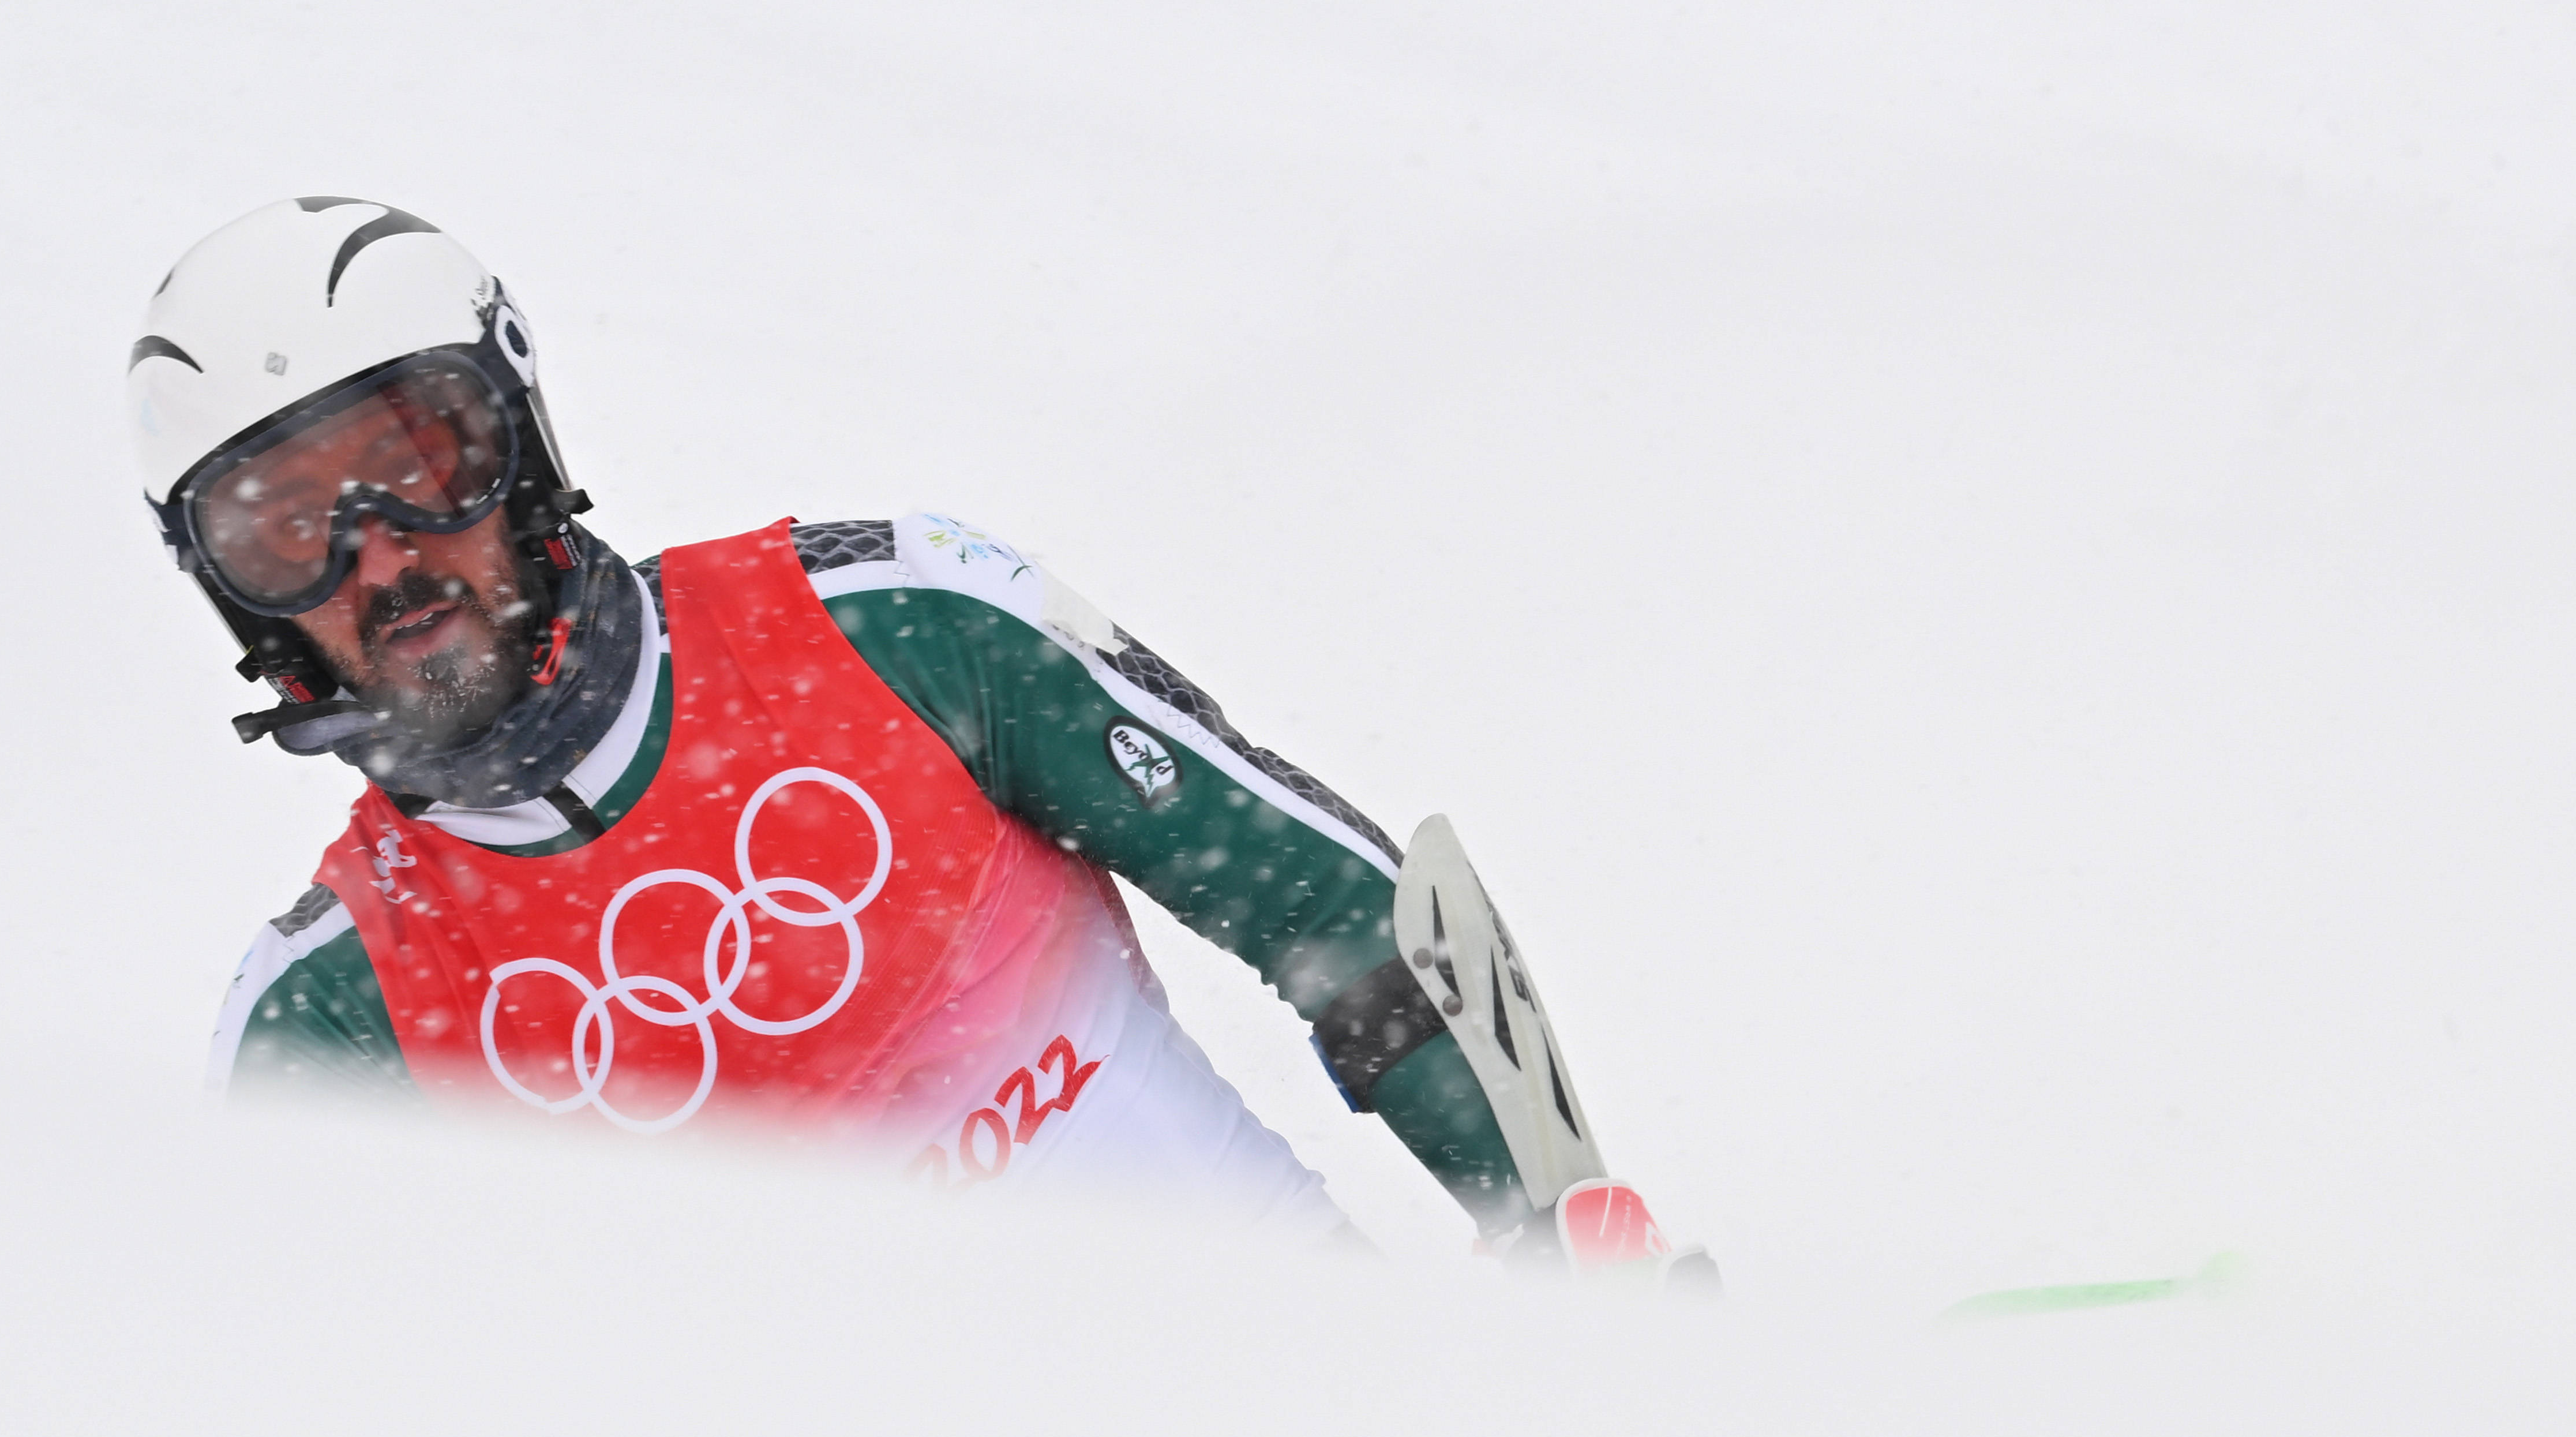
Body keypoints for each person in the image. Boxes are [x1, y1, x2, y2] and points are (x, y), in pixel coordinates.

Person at [128, 196, 1701, 1273]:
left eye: (423, 458)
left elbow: (1324, 911)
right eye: (285, 534)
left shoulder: (887, 626)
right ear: (230, 597)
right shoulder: (328, 1021)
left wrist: (1547, 1226)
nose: (384, 555)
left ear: (520, 439)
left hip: (1317, 1428)